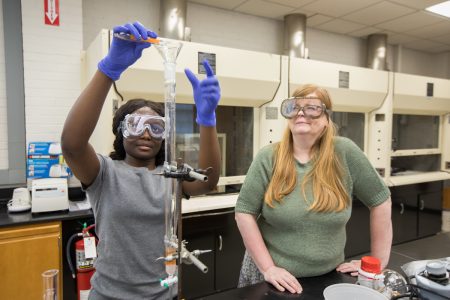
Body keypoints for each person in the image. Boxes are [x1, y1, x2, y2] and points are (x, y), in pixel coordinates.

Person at [61, 22, 221, 299]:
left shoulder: (171, 176)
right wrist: (108, 69)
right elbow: (72, 146)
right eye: (136, 124)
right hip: (109, 295)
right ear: (121, 131)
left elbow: (208, 181)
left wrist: (207, 121)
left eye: (156, 127)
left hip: (163, 294)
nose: (146, 133)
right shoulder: (104, 174)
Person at [235, 84, 392, 294]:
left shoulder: (344, 152)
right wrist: (269, 268)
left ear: (326, 119)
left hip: (329, 276)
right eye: (295, 107)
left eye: (312, 107)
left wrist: (376, 264)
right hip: (272, 279)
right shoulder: (268, 157)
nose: (301, 113)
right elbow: (244, 212)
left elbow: (380, 200)